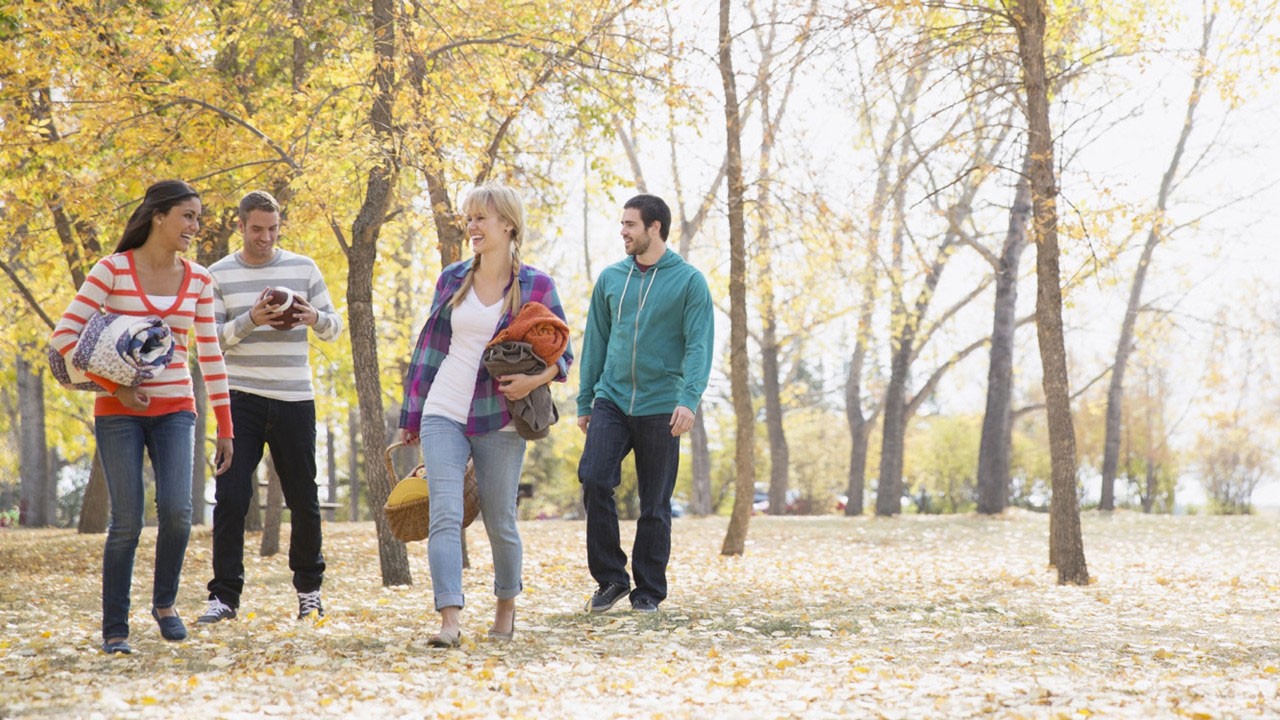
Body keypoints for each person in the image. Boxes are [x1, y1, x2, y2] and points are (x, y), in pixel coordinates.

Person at [49, 180, 235, 654]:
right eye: (187, 216)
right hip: (117, 413)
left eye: (198, 217)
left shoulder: (198, 279)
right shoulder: (111, 271)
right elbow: (64, 339)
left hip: (177, 410)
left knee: (178, 512)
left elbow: (210, 354)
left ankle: (165, 604)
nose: (195, 226)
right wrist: (118, 387)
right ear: (158, 216)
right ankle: (115, 629)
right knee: (127, 521)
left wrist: (225, 427)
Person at [398, 183, 573, 647]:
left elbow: (563, 354)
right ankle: (449, 621)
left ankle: (505, 609)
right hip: (444, 409)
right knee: (445, 514)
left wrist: (533, 381)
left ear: (508, 225)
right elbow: (430, 350)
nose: (472, 226)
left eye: (481, 218)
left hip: (501, 416)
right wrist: (411, 416)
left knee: (500, 521)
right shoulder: (452, 278)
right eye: (469, 218)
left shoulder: (536, 285)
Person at [199, 190, 344, 624]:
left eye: (272, 229)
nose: (265, 237)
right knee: (231, 497)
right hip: (240, 397)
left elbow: (334, 327)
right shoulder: (217, 274)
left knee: (304, 498)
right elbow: (211, 339)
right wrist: (252, 320)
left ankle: (309, 592)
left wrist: (311, 318)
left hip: (294, 397)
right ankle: (224, 597)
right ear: (240, 226)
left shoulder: (303, 268)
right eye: (256, 229)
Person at [577, 193, 713, 614]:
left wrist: (688, 399)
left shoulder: (689, 282)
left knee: (654, 504)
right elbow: (595, 341)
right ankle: (611, 579)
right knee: (594, 478)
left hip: (662, 404)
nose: (623, 232)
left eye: (630, 224)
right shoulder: (611, 279)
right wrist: (586, 399)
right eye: (622, 224)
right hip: (612, 399)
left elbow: (698, 346)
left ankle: (648, 591)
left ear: (655, 228)